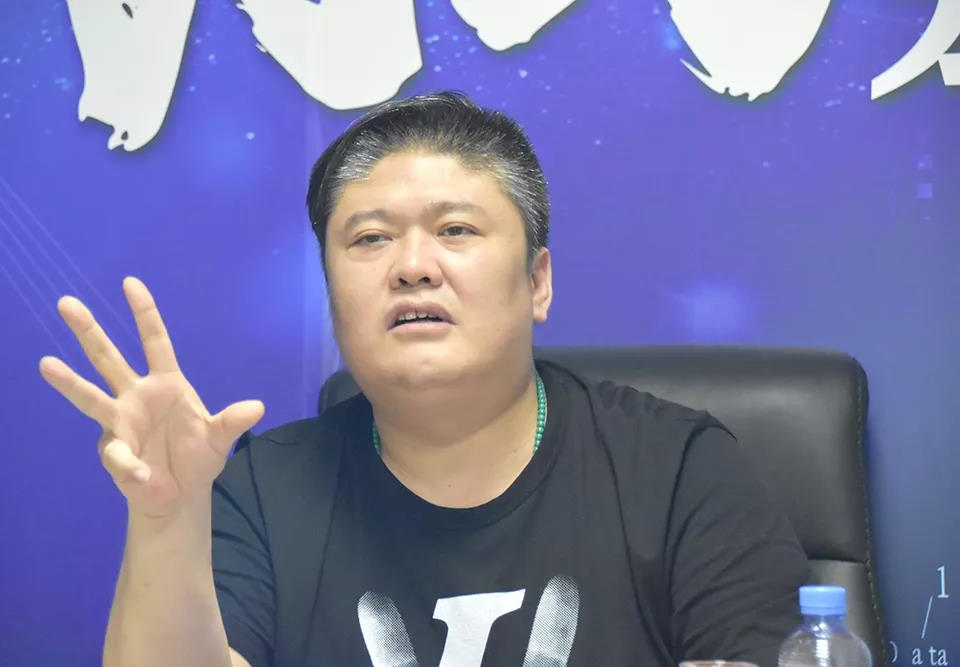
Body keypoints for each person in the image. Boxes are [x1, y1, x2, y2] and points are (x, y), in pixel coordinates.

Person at [40, 92, 808, 667]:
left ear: (537, 282)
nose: (412, 266)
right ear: (332, 298)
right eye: (371, 238)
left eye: (455, 229)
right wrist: (168, 520)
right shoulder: (264, 492)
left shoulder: (677, 470)